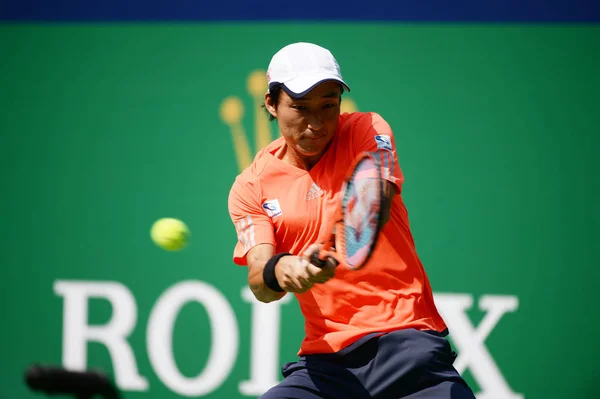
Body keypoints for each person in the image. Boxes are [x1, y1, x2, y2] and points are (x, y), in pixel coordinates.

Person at [227, 42, 475, 399]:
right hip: (326, 364)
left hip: (409, 346)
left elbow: (377, 201)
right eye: (299, 107)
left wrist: (341, 236)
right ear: (271, 103)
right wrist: (286, 269)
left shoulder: (366, 128)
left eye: (328, 106)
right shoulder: (250, 187)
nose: (316, 123)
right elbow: (260, 280)